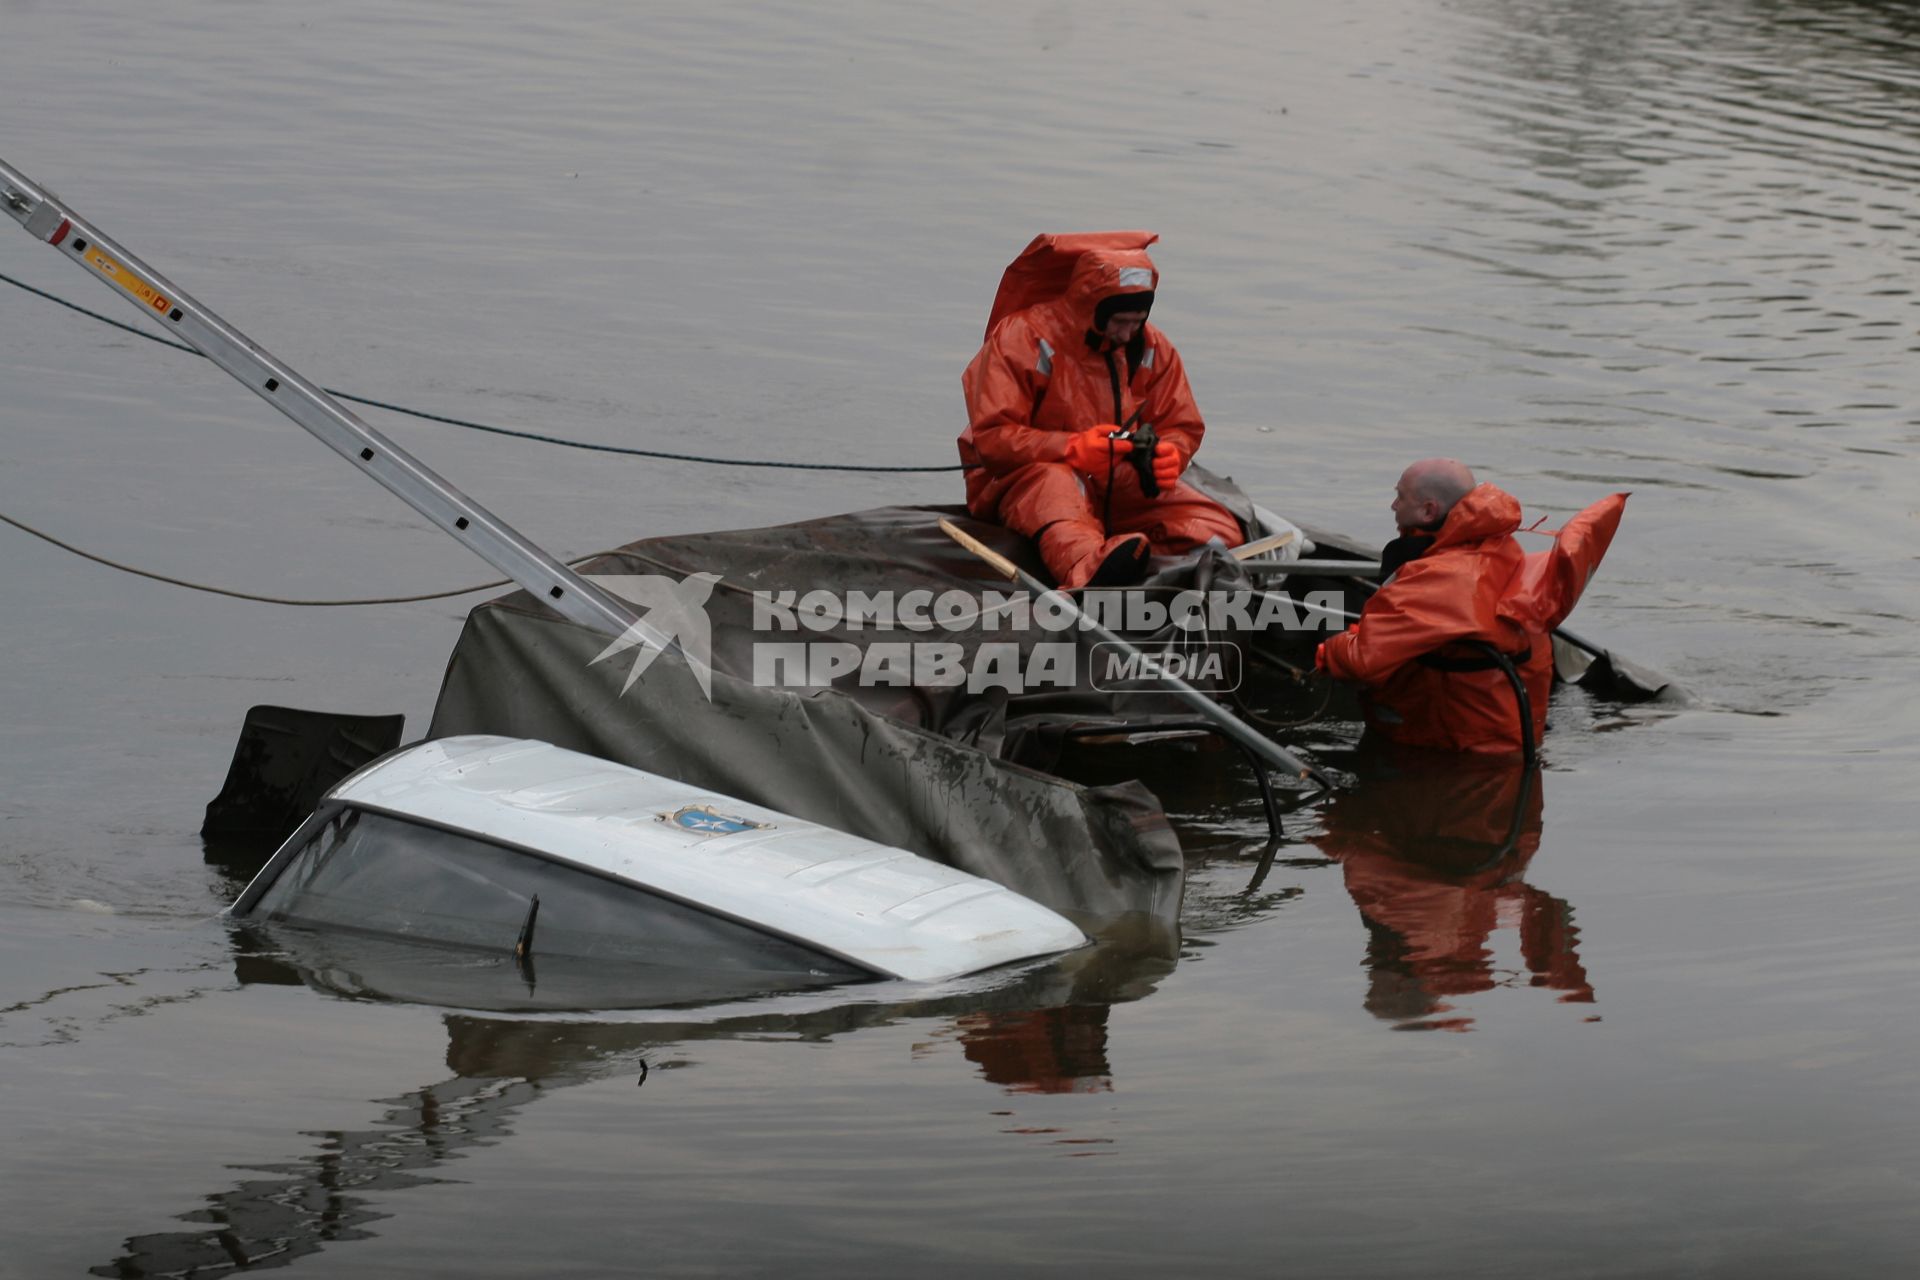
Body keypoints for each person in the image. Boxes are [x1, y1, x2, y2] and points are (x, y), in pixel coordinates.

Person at [960, 232, 1244, 589]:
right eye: (1119, 321)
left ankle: (1164, 563)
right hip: (1026, 478)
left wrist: (1171, 453)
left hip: (1116, 477)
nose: (1128, 333)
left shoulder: (1152, 346)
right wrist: (1071, 448)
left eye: (1137, 320)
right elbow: (993, 438)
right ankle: (1087, 568)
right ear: (1090, 306)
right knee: (1056, 490)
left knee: (1212, 525)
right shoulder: (1023, 338)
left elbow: (1181, 423)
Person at [1316, 459, 1626, 756]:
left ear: (1428, 511)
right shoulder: (1498, 547)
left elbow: (1361, 661)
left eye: (1400, 497)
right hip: (1504, 739)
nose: (1393, 506)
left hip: (1453, 753)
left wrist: (1329, 652)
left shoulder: (1439, 581)